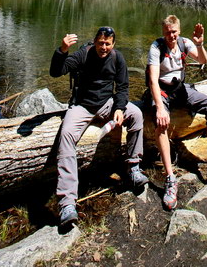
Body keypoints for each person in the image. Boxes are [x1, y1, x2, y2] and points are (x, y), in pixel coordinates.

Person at [50, 25, 148, 226]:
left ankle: (133, 167)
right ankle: (67, 203)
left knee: (136, 114)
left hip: (107, 104)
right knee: (66, 134)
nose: (104, 47)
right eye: (101, 43)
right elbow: (56, 71)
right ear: (95, 41)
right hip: (82, 106)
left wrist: (120, 107)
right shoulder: (83, 54)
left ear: (113, 44)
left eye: (108, 44)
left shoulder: (117, 58)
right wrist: (62, 50)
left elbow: (122, 87)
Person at [147, 15, 207, 211]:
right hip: (162, 90)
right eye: (167, 32)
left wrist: (199, 45)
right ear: (163, 32)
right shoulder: (156, 47)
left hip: (180, 88)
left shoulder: (184, 43)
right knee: (162, 122)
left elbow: (203, 60)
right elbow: (153, 81)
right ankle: (170, 177)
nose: (171, 36)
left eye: (173, 32)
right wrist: (160, 107)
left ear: (179, 31)